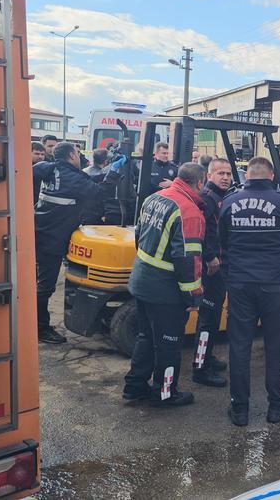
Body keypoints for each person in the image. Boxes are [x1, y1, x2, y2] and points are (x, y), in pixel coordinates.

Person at [220, 157, 280, 426]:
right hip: (274, 284)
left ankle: (240, 409)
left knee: (239, 346)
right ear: (271, 176)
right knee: (276, 345)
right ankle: (277, 405)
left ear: (246, 176)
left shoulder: (230, 202)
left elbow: (223, 239)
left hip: (240, 284)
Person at [123, 163, 206, 407]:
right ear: (200, 183)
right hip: (165, 292)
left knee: (145, 337)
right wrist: (193, 297)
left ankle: (134, 386)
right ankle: (165, 392)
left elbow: (139, 236)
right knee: (169, 344)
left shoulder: (155, 197)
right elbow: (188, 260)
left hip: (142, 281)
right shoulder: (188, 211)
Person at [33, 142, 102, 344]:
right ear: (72, 155)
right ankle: (40, 328)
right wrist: (113, 175)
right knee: (45, 286)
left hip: (42, 231)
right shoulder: (71, 177)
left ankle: (36, 323)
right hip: (52, 238)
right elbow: (95, 191)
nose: (80, 158)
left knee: (39, 283)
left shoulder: (48, 169)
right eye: (78, 154)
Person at [191, 158, 232, 388]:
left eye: (227, 173)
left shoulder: (220, 197)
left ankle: (206, 356)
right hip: (211, 270)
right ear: (209, 175)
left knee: (215, 317)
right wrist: (209, 256)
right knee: (208, 319)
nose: (225, 177)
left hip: (219, 268)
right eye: (220, 173)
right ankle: (200, 368)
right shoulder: (207, 199)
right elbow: (200, 231)